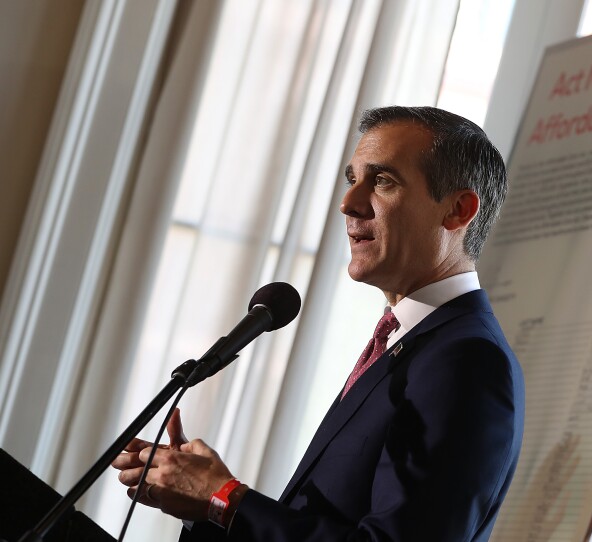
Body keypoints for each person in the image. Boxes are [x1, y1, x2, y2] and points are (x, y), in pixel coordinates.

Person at [113, 106, 525, 541]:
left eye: (383, 181)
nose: (349, 203)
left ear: (458, 211)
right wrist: (202, 506)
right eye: (353, 179)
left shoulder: (467, 360)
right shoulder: (406, 343)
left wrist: (225, 498)